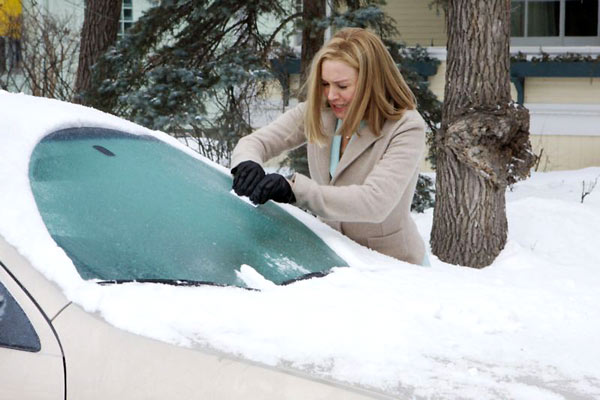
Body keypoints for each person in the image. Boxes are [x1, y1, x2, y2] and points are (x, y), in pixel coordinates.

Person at [230, 27, 428, 266]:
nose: (331, 95)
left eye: (342, 86)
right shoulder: (319, 112)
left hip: (392, 266)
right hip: (332, 260)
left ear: (371, 82)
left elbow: (375, 203)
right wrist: (246, 163)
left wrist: (295, 191)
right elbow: (255, 142)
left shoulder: (405, 127)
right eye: (325, 84)